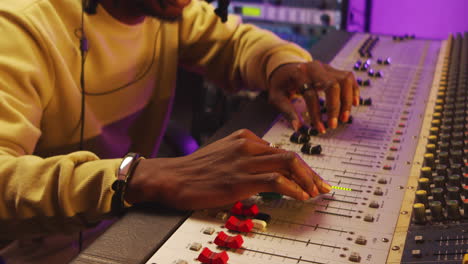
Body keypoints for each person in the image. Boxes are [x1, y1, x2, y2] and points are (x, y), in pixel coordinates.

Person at [0, 0, 359, 262]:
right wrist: (140, 176)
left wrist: (282, 66)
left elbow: (235, 41)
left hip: (132, 224)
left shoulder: (169, 10)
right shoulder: (17, 27)